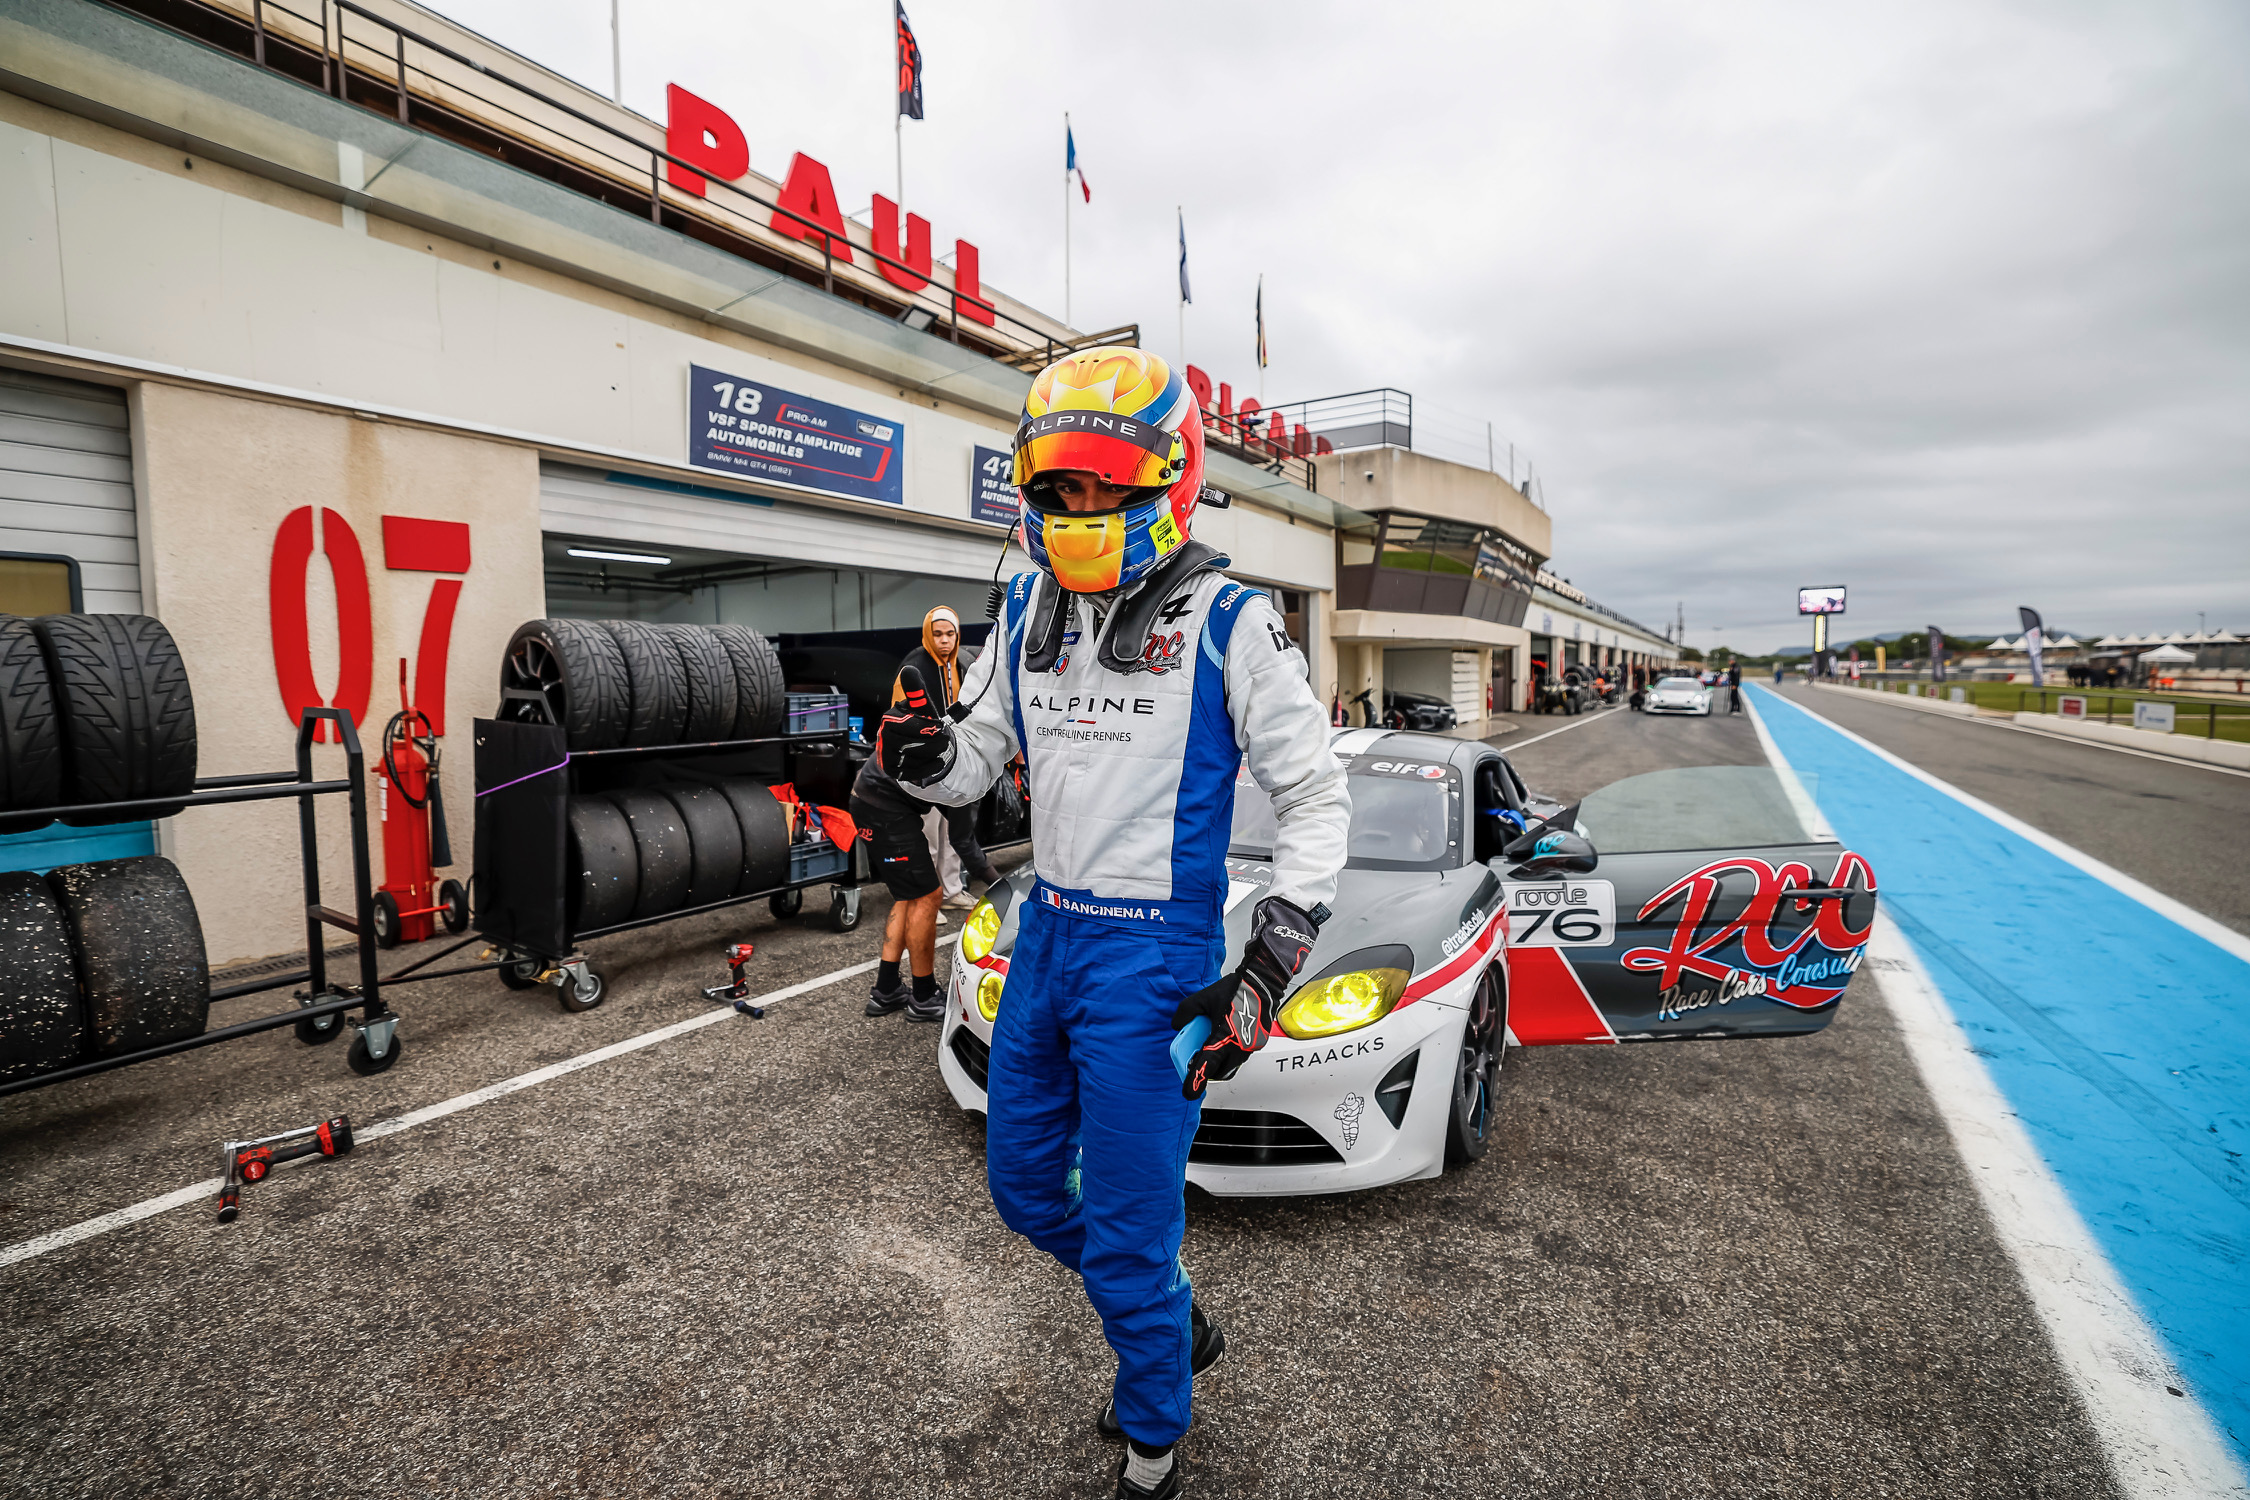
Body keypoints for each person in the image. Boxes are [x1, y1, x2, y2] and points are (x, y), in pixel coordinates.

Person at [876, 346, 1349, 1499]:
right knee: (1025, 1191)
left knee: (1132, 1234)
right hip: (1047, 935)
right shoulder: (1027, 599)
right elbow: (981, 752)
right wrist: (925, 761)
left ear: (1166, 476)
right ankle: (1173, 1321)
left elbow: (1317, 794)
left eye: (1099, 483)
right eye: (1055, 485)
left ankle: (1153, 1442)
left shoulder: (1235, 619)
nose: (1074, 507)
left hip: (1155, 960)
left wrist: (1272, 959)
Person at [849, 684, 951, 1024]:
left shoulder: (945, 730)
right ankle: (923, 996)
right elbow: (964, 839)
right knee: (928, 895)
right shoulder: (946, 741)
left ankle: (887, 988)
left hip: (870, 800)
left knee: (907, 896)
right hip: (882, 808)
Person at [892, 606, 1002, 909]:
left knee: (954, 834)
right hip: (925, 762)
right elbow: (898, 715)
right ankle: (927, 897)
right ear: (928, 635)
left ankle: (951, 891)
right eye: (938, 634)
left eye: (950, 634)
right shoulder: (913, 666)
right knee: (927, 835)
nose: (944, 640)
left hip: (957, 758)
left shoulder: (965, 664)